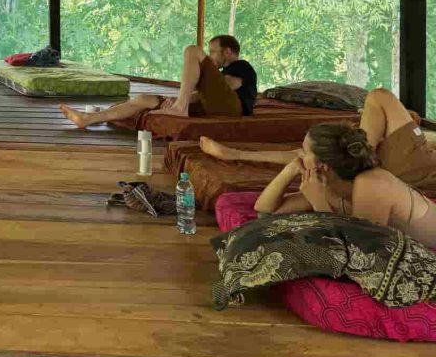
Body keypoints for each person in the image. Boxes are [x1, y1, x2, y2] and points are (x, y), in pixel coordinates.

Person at [254, 88, 436, 248]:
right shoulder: (329, 186)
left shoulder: (370, 183)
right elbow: (265, 209)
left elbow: (359, 250)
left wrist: (320, 204)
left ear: (323, 165)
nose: (300, 155)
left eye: (304, 151)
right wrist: (290, 170)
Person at [59, 35, 257, 131]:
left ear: (228, 52)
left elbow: (228, 87)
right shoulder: (218, 79)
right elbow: (210, 93)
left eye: (213, 51)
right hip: (210, 107)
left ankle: (181, 107)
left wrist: (185, 99)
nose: (211, 56)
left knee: (192, 50)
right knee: (145, 98)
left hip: (233, 109)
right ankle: (88, 119)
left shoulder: (242, 66)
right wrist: (176, 98)